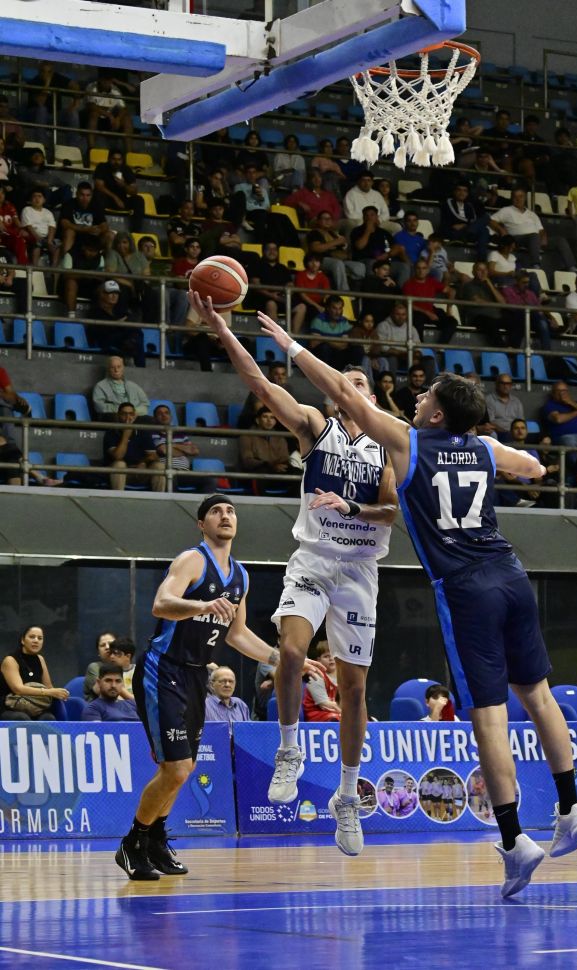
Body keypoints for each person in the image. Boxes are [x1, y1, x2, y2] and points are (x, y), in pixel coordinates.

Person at [258, 321, 577, 898]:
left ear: (437, 415)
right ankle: (572, 806)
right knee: (539, 695)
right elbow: (533, 468)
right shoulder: (483, 447)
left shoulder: (408, 443)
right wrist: (500, 460)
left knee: (490, 716)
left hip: (466, 588)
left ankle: (515, 840)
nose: (416, 398)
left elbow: (340, 392)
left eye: (425, 396)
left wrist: (290, 346)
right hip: (511, 574)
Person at [188, 290, 398, 858]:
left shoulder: (386, 446)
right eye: (345, 381)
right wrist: (222, 331)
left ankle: (348, 796)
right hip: (313, 559)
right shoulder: (314, 426)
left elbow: (393, 511)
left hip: (360, 570)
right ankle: (288, 748)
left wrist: (351, 507)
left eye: (361, 382)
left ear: (372, 398)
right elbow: (260, 384)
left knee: (354, 689)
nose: (352, 386)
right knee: (290, 651)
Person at [116, 494, 322, 880]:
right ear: (202, 524)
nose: (225, 516)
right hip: (164, 668)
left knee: (185, 768)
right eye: (215, 511)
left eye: (230, 511)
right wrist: (203, 606)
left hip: (197, 675)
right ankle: (134, 841)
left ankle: (156, 840)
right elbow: (161, 604)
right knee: (176, 768)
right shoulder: (192, 560)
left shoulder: (240, 575)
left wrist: (284, 659)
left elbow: (237, 635)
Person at [0, 626, 69, 720]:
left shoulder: (40, 659)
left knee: (48, 718)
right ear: (23, 640)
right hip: (10, 707)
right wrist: (48, 692)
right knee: (22, 718)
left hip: (35, 707)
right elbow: (18, 689)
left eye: (40, 638)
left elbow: (48, 687)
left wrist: (60, 692)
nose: (36, 641)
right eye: (32, 637)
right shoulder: (10, 660)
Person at [103, 401, 165, 492]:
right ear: (118, 416)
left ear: (135, 416)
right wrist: (126, 435)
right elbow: (118, 456)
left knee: (159, 466)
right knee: (119, 464)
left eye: (131, 414)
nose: (128, 417)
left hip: (140, 471)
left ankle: (159, 498)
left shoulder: (142, 432)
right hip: (121, 473)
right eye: (124, 414)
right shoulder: (111, 433)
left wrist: (143, 462)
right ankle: (118, 497)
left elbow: (154, 456)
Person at [239, 404, 292, 494]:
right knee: (262, 472)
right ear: (257, 420)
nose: (269, 421)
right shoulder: (247, 436)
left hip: (277, 471)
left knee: (297, 473)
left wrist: (280, 465)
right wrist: (270, 465)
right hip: (256, 471)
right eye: (265, 417)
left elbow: (285, 458)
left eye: (272, 418)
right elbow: (247, 461)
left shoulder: (280, 437)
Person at [401, 258, 457, 343]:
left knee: (452, 321)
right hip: (417, 313)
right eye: (418, 268)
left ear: (427, 270)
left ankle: (440, 346)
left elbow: (452, 291)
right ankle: (420, 347)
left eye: (424, 268)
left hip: (431, 310)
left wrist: (449, 310)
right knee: (417, 320)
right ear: (414, 269)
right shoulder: (408, 284)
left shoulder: (431, 281)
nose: (421, 271)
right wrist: (427, 313)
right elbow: (408, 304)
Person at [93, 148, 144, 233]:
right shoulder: (102, 167)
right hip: (107, 199)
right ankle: (100, 226)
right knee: (97, 196)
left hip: (122, 201)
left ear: (122, 160)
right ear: (109, 159)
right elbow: (99, 186)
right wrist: (115, 198)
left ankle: (136, 232)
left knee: (139, 200)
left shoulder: (126, 169)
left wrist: (124, 185)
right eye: (114, 159)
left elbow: (134, 191)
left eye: (119, 159)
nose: (116, 162)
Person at [151, 403, 199, 487]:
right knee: (171, 479)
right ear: (155, 418)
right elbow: (164, 450)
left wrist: (171, 445)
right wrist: (184, 450)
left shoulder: (180, 433)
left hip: (185, 473)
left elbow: (194, 450)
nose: (164, 415)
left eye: (166, 413)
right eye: (160, 413)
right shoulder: (153, 432)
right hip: (167, 471)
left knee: (209, 480)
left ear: (171, 416)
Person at [541, 381, 577, 450]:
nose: (562, 393)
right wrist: (576, 413)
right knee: (572, 444)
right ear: (553, 393)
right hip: (566, 436)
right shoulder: (550, 405)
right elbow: (558, 419)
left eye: (564, 390)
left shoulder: (576, 403)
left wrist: (570, 402)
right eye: (558, 391)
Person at [374, 302, 420, 374]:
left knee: (428, 360)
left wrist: (416, 355)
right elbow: (382, 347)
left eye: (403, 314)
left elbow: (418, 346)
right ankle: (391, 381)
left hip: (407, 356)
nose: (400, 317)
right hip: (391, 356)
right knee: (392, 359)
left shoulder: (411, 328)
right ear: (392, 314)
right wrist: (401, 353)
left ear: (407, 315)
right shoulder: (383, 326)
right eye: (398, 314)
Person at [303, 643, 341, 722]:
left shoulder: (342, 677)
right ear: (318, 660)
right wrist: (346, 712)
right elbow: (324, 704)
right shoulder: (316, 676)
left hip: (336, 712)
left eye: (333, 655)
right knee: (340, 719)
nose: (331, 658)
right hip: (317, 714)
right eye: (326, 656)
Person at [485, 373, 525, 439]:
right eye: (502, 383)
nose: (505, 386)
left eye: (508, 384)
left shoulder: (516, 401)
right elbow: (490, 422)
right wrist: (505, 432)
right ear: (497, 385)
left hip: (514, 433)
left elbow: (521, 421)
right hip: (498, 432)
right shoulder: (489, 400)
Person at [84, 630, 117, 701]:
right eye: (102, 645)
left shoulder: (126, 667)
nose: (107, 647)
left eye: (111, 644)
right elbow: (107, 693)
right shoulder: (94, 667)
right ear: (98, 652)